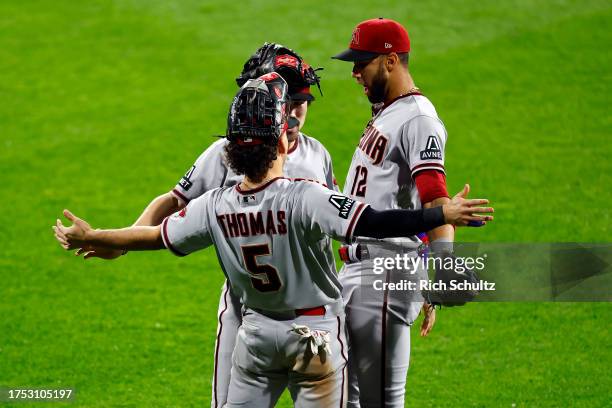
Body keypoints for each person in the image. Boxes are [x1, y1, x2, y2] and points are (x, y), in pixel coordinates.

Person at [54, 73, 493, 407]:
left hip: (257, 334)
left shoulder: (214, 206)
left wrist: (93, 235)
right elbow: (376, 222)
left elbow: (154, 236)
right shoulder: (309, 198)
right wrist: (440, 214)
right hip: (317, 335)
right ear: (283, 142)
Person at [73, 43, 337, 407]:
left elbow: (341, 223)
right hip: (247, 310)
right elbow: (173, 200)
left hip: (310, 315)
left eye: (300, 103)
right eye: (286, 102)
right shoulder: (228, 152)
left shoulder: (318, 155)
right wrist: (123, 241)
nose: (292, 113)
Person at [332, 17, 470, 407]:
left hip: (384, 273)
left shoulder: (418, 118)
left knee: (378, 401)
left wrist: (440, 268)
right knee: (350, 399)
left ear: (391, 61)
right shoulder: (390, 111)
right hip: (368, 272)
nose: (355, 71)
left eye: (363, 62)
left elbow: (435, 200)